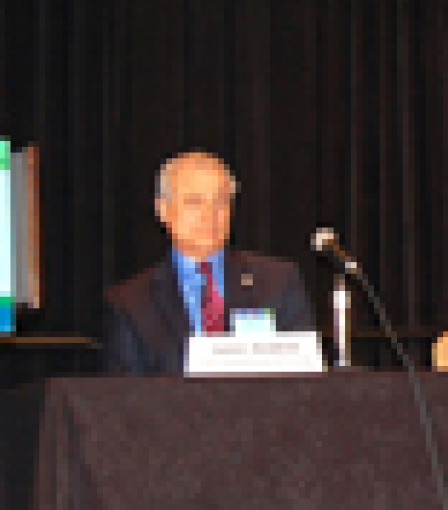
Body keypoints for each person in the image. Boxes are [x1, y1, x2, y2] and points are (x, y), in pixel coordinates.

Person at [105, 151, 316, 374]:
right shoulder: (130, 303)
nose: (210, 215)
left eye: (221, 201)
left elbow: (303, 383)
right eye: (195, 202)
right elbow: (123, 399)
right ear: (163, 210)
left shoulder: (277, 281)